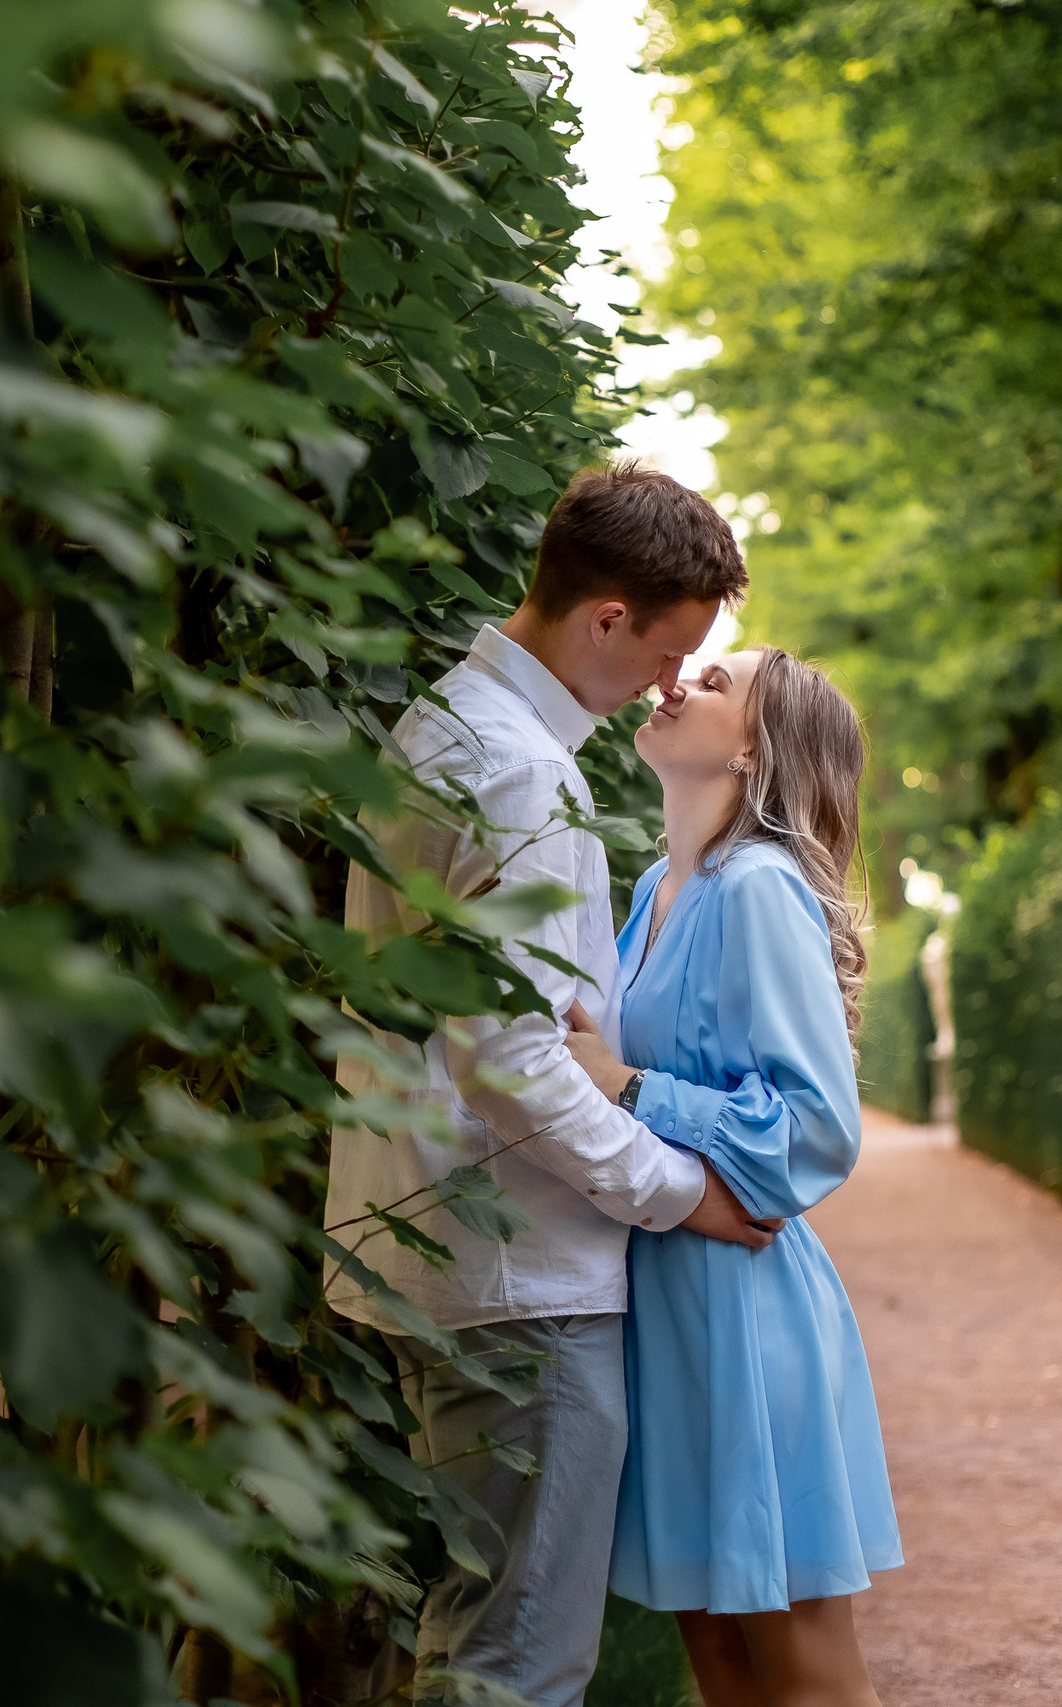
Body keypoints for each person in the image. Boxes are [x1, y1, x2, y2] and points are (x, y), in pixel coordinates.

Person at [323, 464, 776, 1706]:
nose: (670, 686)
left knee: (475, 1639)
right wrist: (683, 1192)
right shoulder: (521, 771)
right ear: (607, 618)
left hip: (444, 1244)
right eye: (669, 651)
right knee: (517, 1663)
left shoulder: (446, 724)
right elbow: (517, 1059)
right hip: (519, 1271)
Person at [563, 646, 902, 1707]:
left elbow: (814, 1131)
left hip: (746, 1311)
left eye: (714, 685)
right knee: (719, 1669)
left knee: (803, 1674)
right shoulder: (659, 884)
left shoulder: (757, 888)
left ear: (754, 748)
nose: (674, 685)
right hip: (663, 1304)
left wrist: (627, 1087)